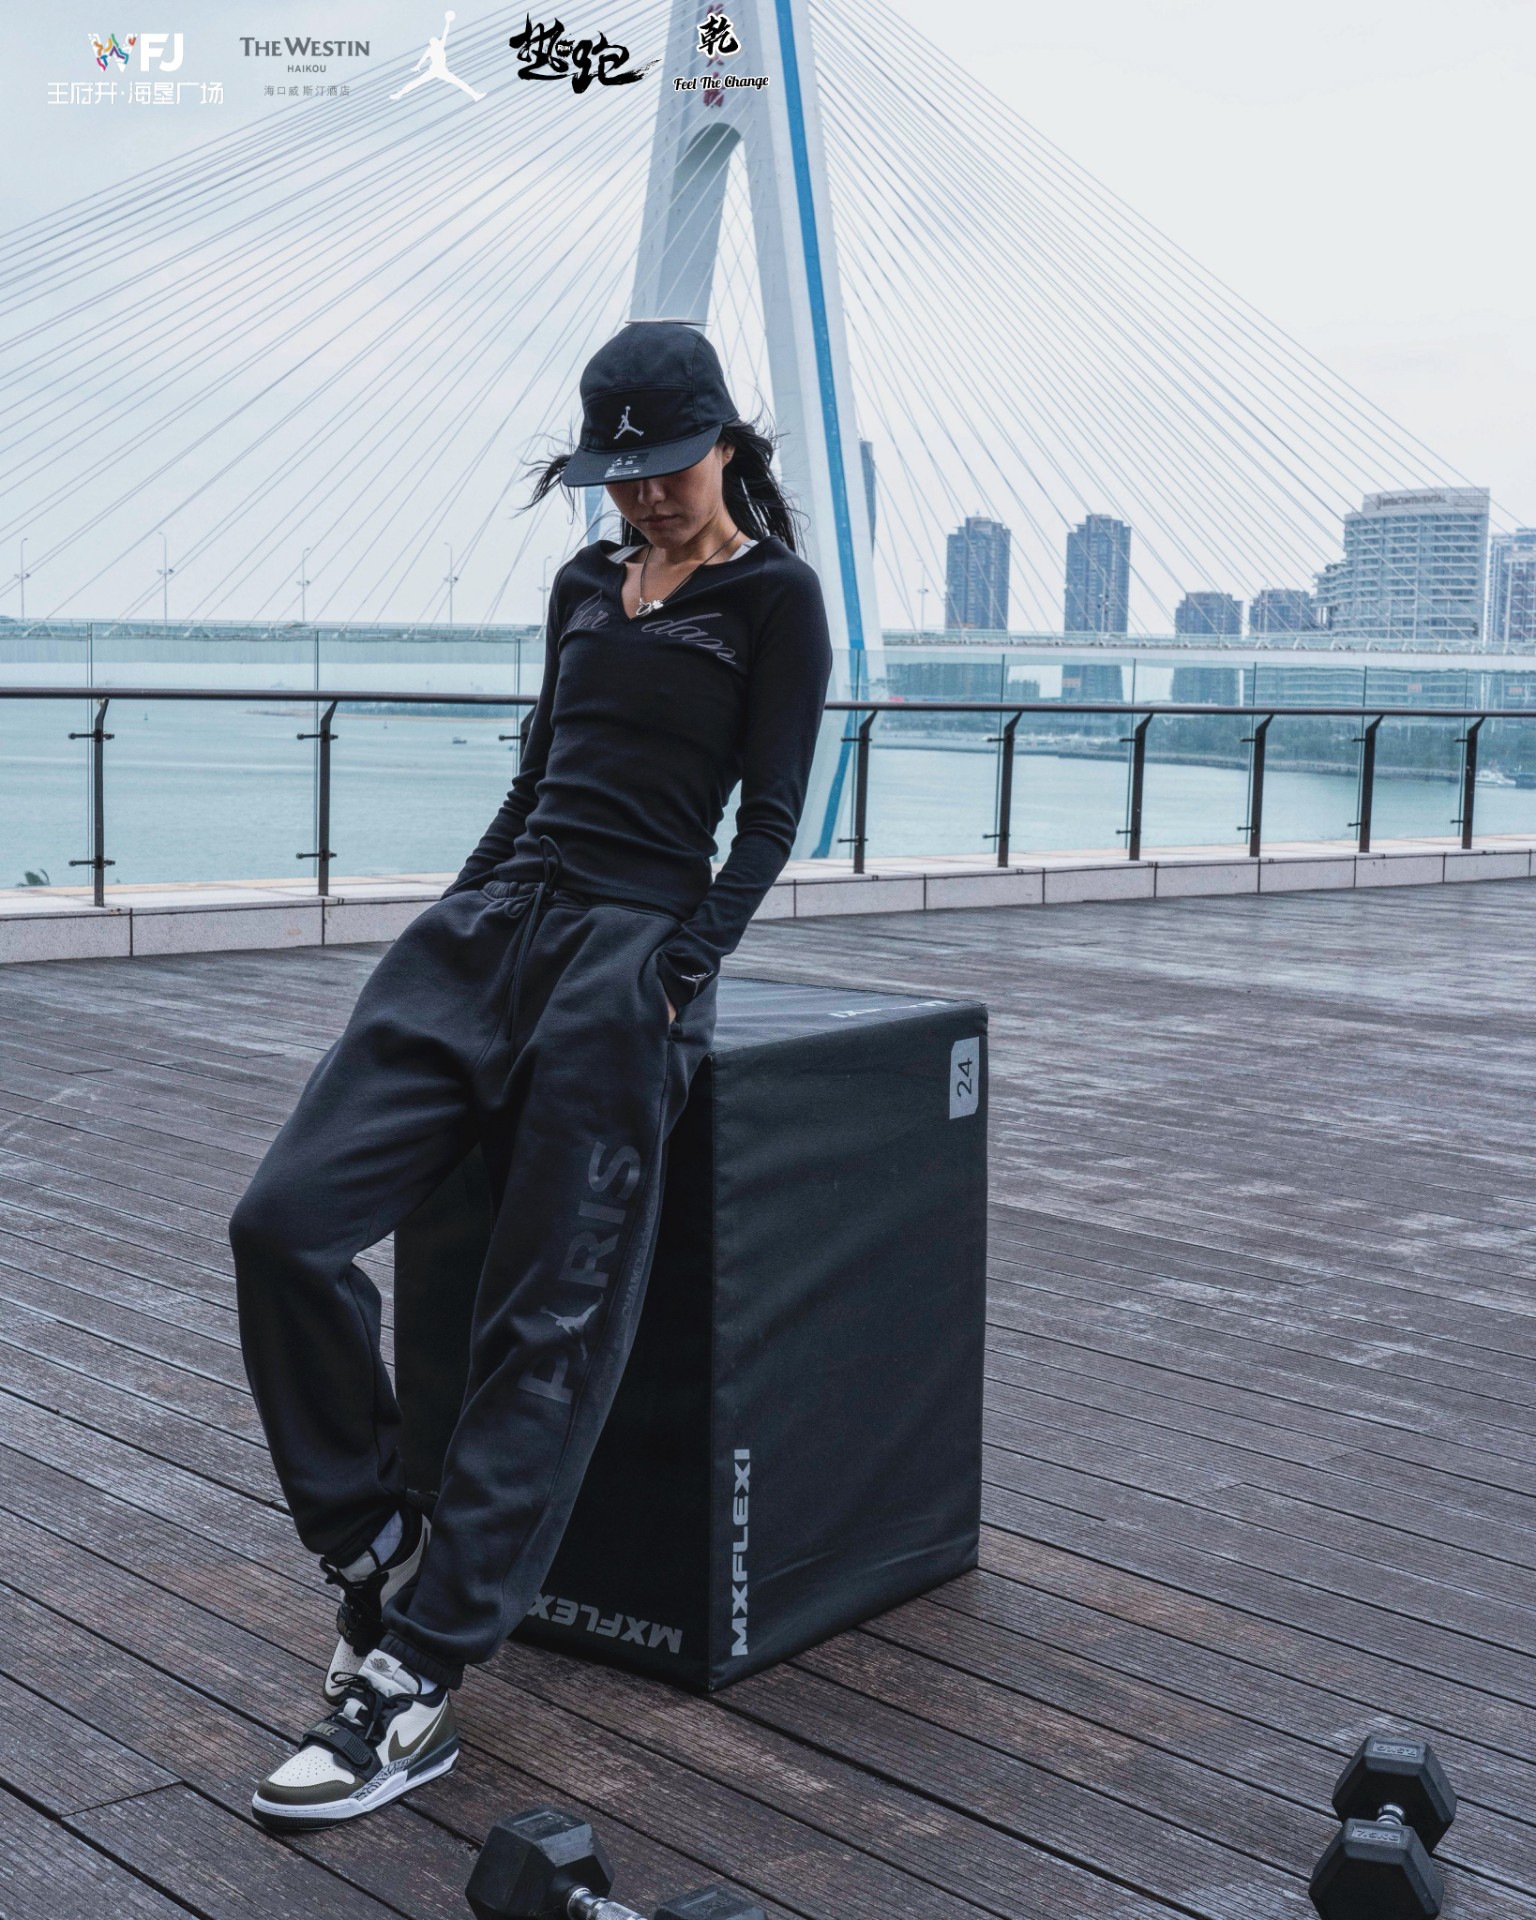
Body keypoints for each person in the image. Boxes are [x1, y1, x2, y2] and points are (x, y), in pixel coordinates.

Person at [230, 320, 833, 1831]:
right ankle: (373, 1544)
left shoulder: (776, 599)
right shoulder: (582, 584)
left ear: (725, 444)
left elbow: (769, 819)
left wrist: (678, 971)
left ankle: (416, 1675)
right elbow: (536, 774)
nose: (641, 496)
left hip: (628, 957)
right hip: (493, 927)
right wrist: (461, 914)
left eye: (665, 467)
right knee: (283, 1223)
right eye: (617, 474)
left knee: (542, 1321)